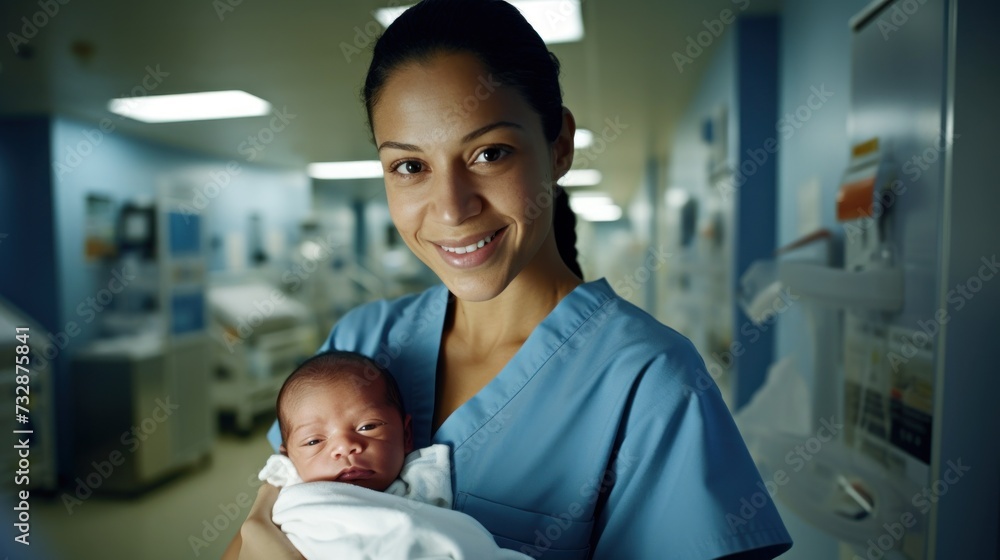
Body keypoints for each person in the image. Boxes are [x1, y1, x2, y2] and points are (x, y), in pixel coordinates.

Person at [225, 0, 793, 558]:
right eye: (410, 166)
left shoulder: (650, 382)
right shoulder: (362, 341)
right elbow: (258, 533)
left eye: (489, 153)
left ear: (560, 145)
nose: (450, 209)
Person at [258, 350, 531, 559]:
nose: (345, 447)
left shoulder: (420, 494)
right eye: (314, 440)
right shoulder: (295, 499)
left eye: (368, 426)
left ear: (406, 435)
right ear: (289, 458)